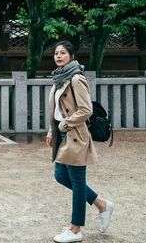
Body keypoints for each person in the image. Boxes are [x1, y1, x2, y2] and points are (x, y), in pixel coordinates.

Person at [46, 41, 114, 243]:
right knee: (61, 176)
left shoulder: (76, 79)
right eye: (56, 53)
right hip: (61, 133)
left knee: (77, 181)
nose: (58, 56)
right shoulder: (58, 78)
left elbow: (86, 110)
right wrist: (51, 130)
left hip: (75, 134)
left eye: (63, 53)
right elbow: (56, 110)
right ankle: (102, 204)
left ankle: (75, 229)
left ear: (72, 56)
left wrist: (66, 124)